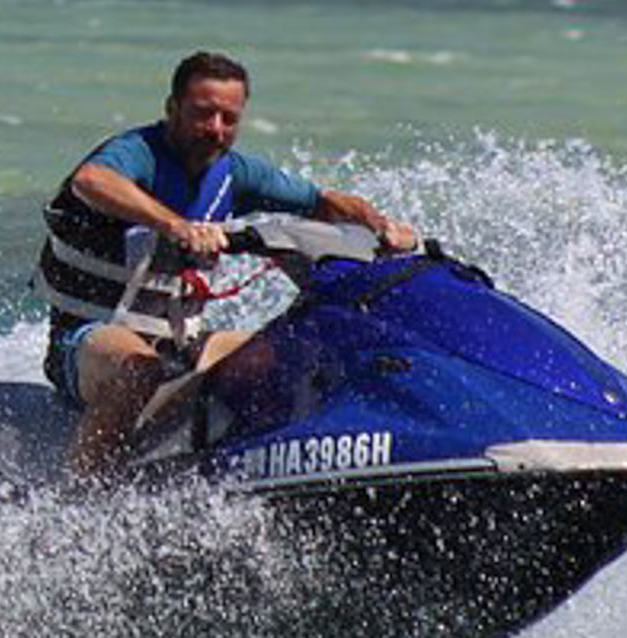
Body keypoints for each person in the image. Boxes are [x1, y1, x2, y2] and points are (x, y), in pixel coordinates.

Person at [34, 51, 419, 476]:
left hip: (175, 346)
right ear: (172, 108)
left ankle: (258, 474)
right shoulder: (137, 153)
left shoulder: (234, 174)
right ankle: (79, 499)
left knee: (292, 350)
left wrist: (382, 228)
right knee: (137, 368)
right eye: (202, 114)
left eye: (228, 118)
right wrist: (177, 225)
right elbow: (91, 181)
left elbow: (324, 203)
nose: (216, 129)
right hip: (87, 343)